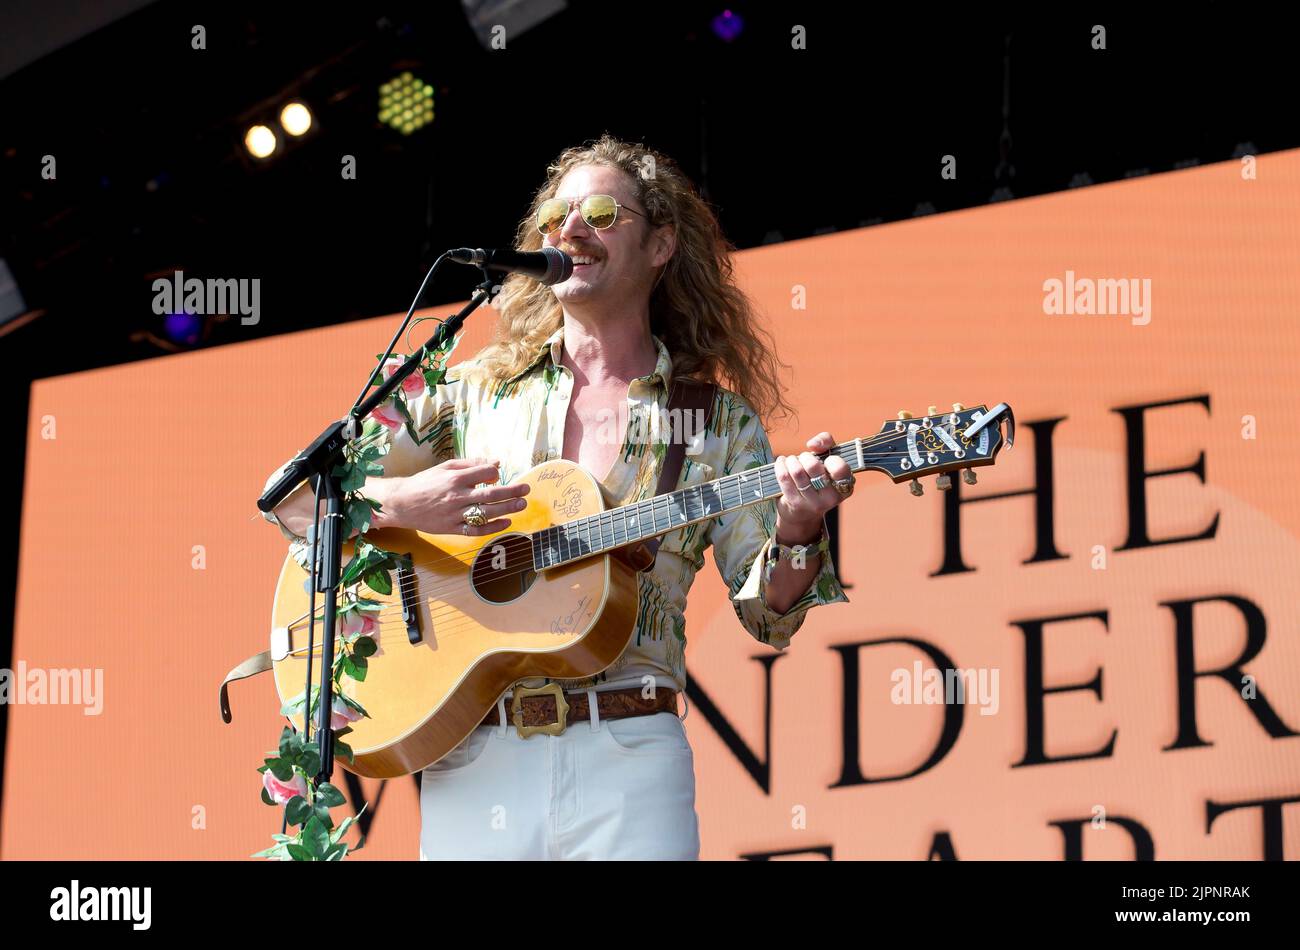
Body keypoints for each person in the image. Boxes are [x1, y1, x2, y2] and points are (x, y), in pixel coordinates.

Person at [262, 133, 855, 860]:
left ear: (662, 245)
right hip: (474, 758)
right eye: (554, 217)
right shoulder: (473, 393)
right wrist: (401, 505)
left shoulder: (711, 421)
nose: (569, 230)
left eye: (602, 214)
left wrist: (797, 526)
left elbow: (769, 615)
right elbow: (295, 500)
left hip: (630, 756)